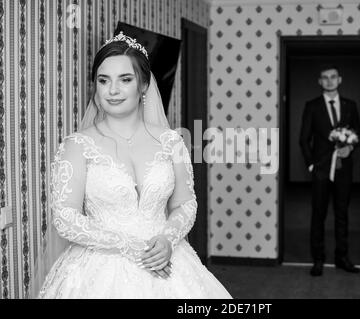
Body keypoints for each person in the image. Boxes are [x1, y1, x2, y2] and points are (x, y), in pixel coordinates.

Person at [31, 32, 232, 298]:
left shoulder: (172, 142)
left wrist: (168, 239)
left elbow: (185, 204)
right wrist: (132, 246)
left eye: (125, 79)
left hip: (168, 261)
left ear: (144, 85)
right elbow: (66, 218)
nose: (112, 90)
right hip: (99, 270)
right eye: (103, 80)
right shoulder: (77, 146)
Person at [299, 65, 360, 277]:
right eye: (325, 78)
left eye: (333, 77)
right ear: (320, 81)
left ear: (339, 79)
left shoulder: (350, 106)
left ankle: (342, 257)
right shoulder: (312, 106)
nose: (329, 81)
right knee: (318, 214)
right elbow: (303, 139)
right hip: (320, 170)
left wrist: (350, 146)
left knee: (342, 214)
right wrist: (311, 165)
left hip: (344, 170)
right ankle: (318, 259)